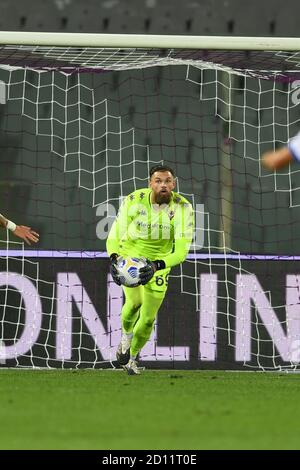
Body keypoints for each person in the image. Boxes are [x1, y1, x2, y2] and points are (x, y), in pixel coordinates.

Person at [106, 165, 194, 375]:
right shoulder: (134, 200)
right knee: (134, 303)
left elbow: (181, 252)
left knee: (147, 320)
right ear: (150, 184)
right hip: (130, 259)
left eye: (167, 181)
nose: (163, 185)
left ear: (173, 184)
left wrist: (156, 266)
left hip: (158, 264)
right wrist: (114, 258)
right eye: (158, 181)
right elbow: (115, 234)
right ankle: (125, 339)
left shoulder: (183, 208)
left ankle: (132, 358)